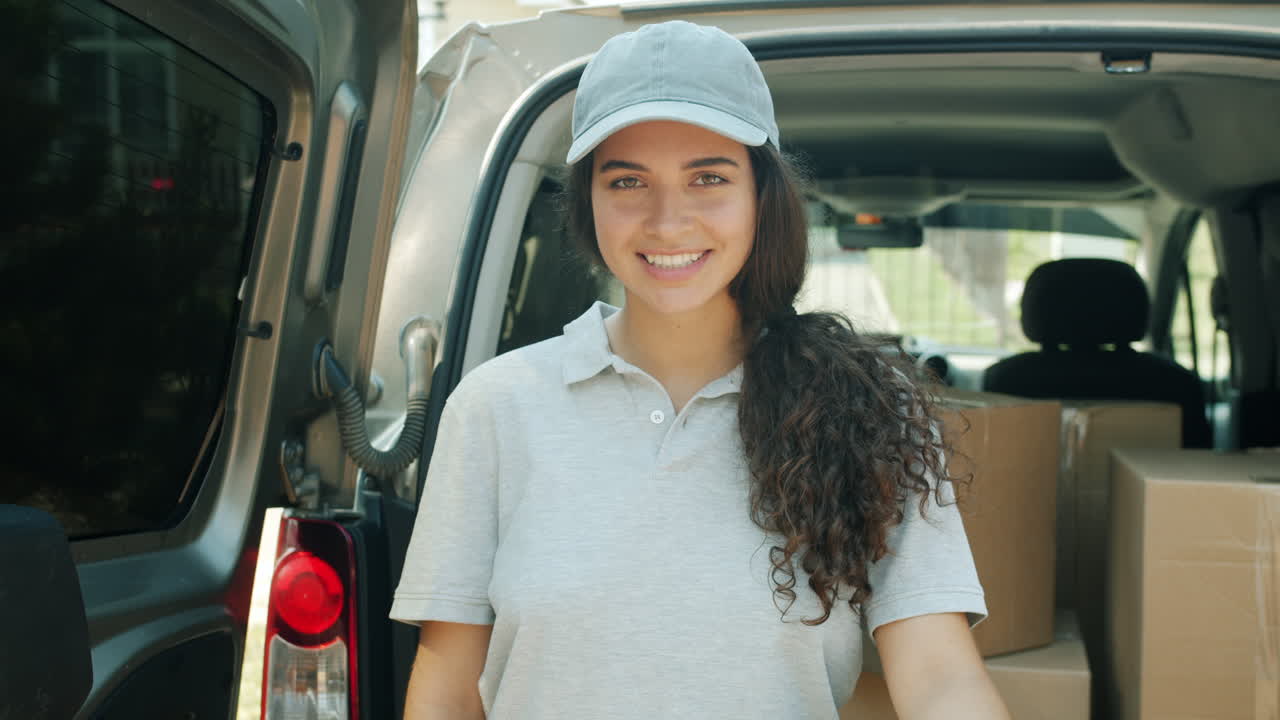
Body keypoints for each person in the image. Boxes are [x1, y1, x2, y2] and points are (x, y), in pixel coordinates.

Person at [391, 20, 1010, 720]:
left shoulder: (865, 408)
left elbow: (940, 683)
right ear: (588, 204)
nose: (668, 220)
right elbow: (446, 690)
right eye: (627, 182)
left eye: (708, 178)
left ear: (761, 194)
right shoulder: (496, 408)